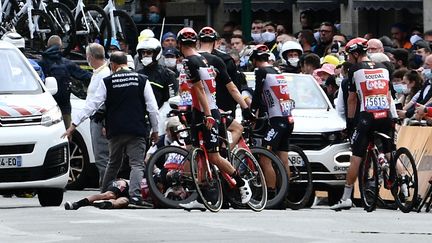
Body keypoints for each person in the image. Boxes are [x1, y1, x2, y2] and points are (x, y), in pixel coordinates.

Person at [62, 51, 159, 208]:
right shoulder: (142, 80)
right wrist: (155, 130)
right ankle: (135, 197)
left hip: (115, 130)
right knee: (136, 164)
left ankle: (104, 191)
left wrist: (73, 125)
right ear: (126, 64)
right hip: (136, 129)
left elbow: (92, 104)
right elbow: (152, 108)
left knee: (113, 163)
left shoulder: (107, 81)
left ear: (113, 65)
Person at [174, 27, 252, 210]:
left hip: (208, 112)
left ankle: (241, 183)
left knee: (214, 157)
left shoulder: (190, 61)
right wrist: (245, 107)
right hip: (198, 112)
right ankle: (202, 197)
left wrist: (208, 114)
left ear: (179, 44)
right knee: (198, 153)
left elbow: (200, 89)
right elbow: (230, 88)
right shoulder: (208, 60)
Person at [330, 38, 397, 210]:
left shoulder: (354, 70)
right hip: (386, 115)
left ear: (355, 53)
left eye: (349, 55)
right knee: (391, 153)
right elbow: (388, 96)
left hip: (367, 117)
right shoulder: (383, 67)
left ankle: (346, 197)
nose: (348, 58)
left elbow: (352, 100)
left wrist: (351, 123)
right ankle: (403, 185)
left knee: (356, 157)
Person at [250, 44, 294, 204]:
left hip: (277, 121)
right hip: (288, 119)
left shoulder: (261, 71)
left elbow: (257, 95)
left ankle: (272, 194)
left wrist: (250, 113)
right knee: (283, 159)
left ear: (255, 60)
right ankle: (285, 195)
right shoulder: (277, 70)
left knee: (265, 158)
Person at [197, 26, 253, 150]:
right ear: (216, 42)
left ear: (199, 41)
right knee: (235, 131)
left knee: (196, 149)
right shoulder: (219, 60)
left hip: (194, 111)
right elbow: (233, 88)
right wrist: (245, 108)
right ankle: (223, 159)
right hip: (215, 110)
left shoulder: (188, 59)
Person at [38, 35, 92, 128]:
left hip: (45, 109)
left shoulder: (40, 63)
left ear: (47, 46)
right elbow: (85, 75)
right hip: (64, 107)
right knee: (66, 135)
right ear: (61, 46)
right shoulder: (66, 63)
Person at [85, 43, 111, 185]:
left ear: (90, 56)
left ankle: (107, 186)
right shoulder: (98, 73)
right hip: (96, 118)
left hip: (100, 119)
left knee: (102, 155)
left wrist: (105, 122)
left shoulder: (104, 74)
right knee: (100, 154)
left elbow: (105, 100)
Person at [136, 37, 177, 109]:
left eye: (149, 52)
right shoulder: (137, 75)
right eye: (143, 52)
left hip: (162, 114)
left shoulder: (168, 74)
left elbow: (171, 99)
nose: (145, 55)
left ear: (156, 54)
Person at [64, 178, 151, 210]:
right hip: (124, 184)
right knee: (110, 195)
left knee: (124, 201)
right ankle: (77, 204)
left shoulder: (162, 196)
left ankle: (108, 204)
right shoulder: (153, 179)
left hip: (129, 197)